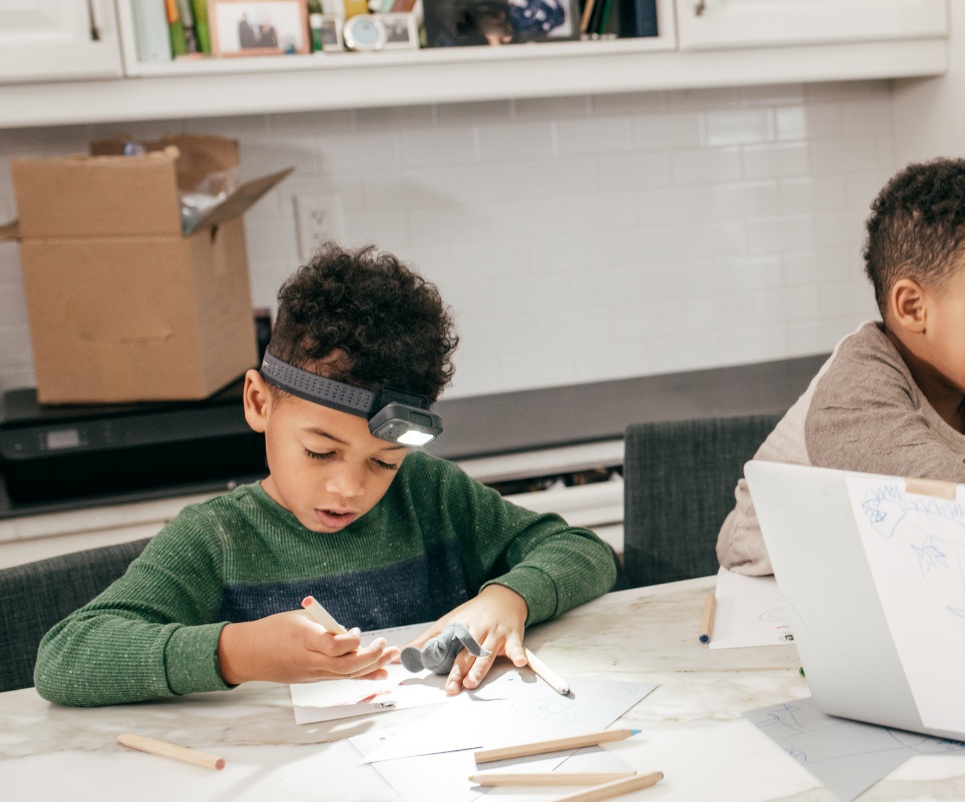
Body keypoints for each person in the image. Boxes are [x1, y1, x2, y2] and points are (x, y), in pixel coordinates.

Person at [35, 245, 618, 707]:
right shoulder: (216, 540)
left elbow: (580, 549)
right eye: (319, 452)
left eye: (383, 462)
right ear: (260, 403)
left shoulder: (433, 495)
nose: (349, 488)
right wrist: (236, 652)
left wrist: (508, 597)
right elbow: (65, 658)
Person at [716, 159, 965, 574]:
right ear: (913, 308)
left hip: (884, 569)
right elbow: (960, 508)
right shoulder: (855, 393)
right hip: (770, 580)